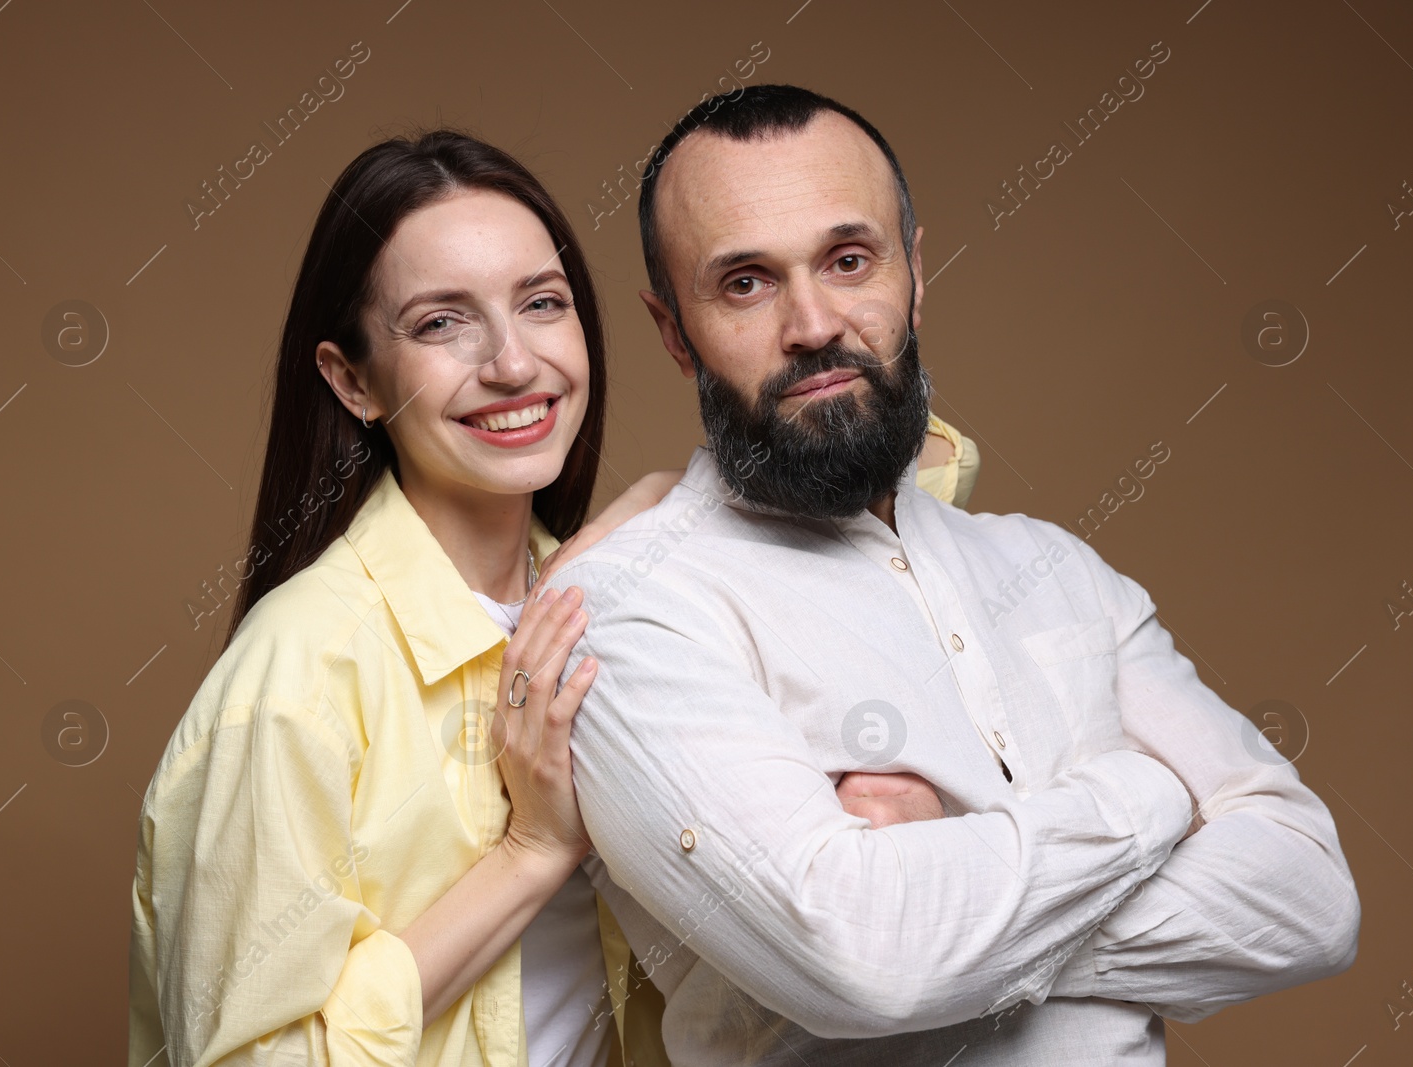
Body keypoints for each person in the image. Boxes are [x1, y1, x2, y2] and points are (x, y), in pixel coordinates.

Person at [126, 129, 981, 1067]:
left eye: (542, 303)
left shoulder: (620, 593)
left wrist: (675, 503)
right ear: (353, 379)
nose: (513, 363)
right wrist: (532, 852)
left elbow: (920, 472)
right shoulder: (298, 672)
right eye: (442, 322)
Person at [546, 84, 1362, 1065]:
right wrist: (1152, 795)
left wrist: (950, 897)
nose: (813, 322)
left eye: (850, 260)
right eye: (747, 283)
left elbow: (1312, 898)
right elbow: (867, 961)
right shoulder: (633, 608)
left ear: (914, 271)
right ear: (674, 328)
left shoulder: (1056, 567)